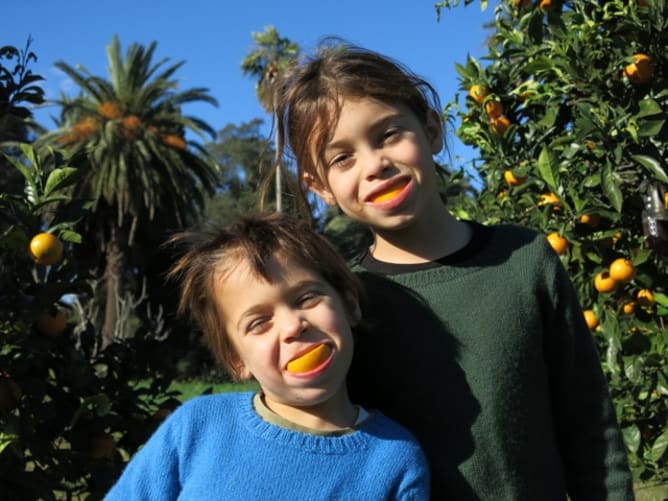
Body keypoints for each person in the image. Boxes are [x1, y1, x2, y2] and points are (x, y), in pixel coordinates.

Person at [269, 40, 634, 500]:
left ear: (431, 130)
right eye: (342, 157)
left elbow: (591, 429)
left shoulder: (526, 259)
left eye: (388, 134)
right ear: (319, 185)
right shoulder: (346, 304)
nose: (375, 164)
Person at [104, 213, 430, 500]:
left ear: (348, 305)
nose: (292, 326)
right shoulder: (196, 428)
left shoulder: (394, 460)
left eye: (306, 298)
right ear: (236, 359)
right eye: (259, 322)